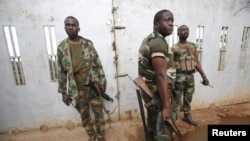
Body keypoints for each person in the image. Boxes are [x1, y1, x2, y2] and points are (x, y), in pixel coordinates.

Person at [57, 16, 107, 141]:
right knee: (84, 116)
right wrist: (64, 92)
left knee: (98, 113)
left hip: (93, 85)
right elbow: (62, 72)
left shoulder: (88, 44)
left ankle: (101, 137)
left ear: (78, 28)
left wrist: (102, 81)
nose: (70, 27)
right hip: (77, 89)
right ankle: (92, 135)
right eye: (68, 25)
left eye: (73, 25)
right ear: (65, 28)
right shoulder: (62, 47)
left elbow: (97, 64)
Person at [138, 9, 175, 141]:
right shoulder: (158, 42)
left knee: (152, 124)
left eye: (172, 21)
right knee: (163, 130)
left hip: (150, 91)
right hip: (157, 93)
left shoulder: (150, 39)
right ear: (156, 24)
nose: (171, 24)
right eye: (167, 20)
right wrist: (166, 106)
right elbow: (161, 76)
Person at [171, 25, 209, 126]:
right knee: (176, 100)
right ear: (178, 33)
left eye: (187, 29)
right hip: (178, 77)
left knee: (188, 98)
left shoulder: (192, 46)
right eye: (182, 30)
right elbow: (169, 66)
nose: (185, 31)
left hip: (190, 77)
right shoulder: (174, 48)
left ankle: (187, 116)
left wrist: (204, 76)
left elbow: (196, 62)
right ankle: (172, 121)